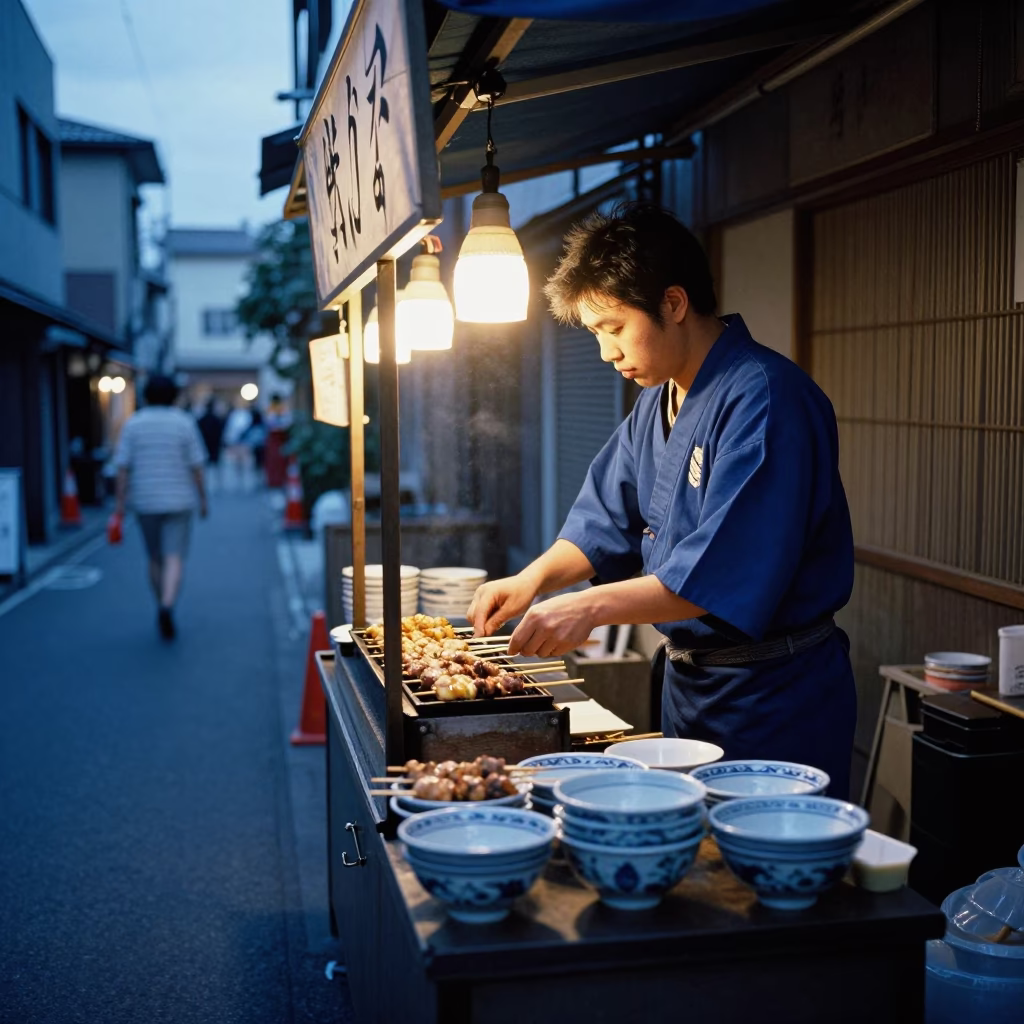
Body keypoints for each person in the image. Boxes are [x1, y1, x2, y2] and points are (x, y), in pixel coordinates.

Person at [468, 202, 857, 798]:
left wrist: (588, 608)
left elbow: (712, 578)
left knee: (762, 875)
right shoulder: (658, 399)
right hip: (691, 690)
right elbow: (605, 518)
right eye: (597, 334)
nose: (606, 353)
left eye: (614, 328)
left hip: (773, 696)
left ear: (673, 304)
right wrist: (533, 580)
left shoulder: (766, 399)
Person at [114, 375, 208, 639]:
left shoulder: (133, 424)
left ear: (145, 395)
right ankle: (168, 605)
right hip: (179, 500)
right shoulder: (184, 423)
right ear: (174, 396)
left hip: (145, 501)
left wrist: (119, 505)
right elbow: (197, 466)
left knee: (154, 557)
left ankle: (160, 603)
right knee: (174, 556)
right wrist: (203, 500)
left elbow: (122, 468)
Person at [197, 398, 226, 489]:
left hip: (205, 445)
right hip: (214, 445)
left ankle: (208, 484)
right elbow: (220, 433)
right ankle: (217, 484)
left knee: (207, 467)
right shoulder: (216, 419)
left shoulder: (202, 419)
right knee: (216, 467)